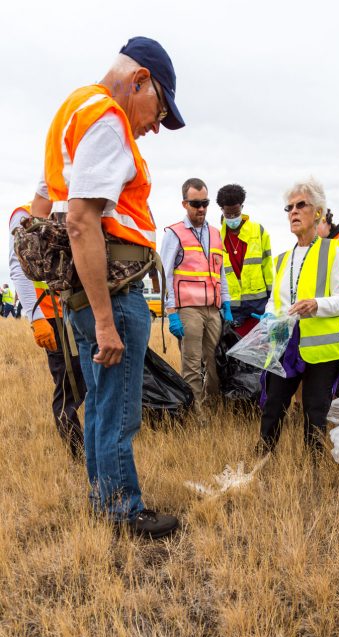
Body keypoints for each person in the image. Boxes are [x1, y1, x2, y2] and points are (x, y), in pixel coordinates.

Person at [34, 36, 184, 538]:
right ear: (138, 79)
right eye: (159, 107)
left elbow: (41, 208)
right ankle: (123, 510)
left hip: (85, 292)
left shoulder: (73, 111)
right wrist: (103, 318)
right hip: (113, 296)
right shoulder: (108, 118)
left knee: (100, 403)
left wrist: (59, 284)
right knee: (119, 410)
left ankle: (104, 501)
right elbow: (79, 222)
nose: (155, 125)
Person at [258, 178, 339, 455]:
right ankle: (264, 456)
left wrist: (317, 305)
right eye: (289, 208)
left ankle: (315, 465)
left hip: (320, 349)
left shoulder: (332, 250)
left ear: (318, 212)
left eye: (301, 205)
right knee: (273, 403)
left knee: (315, 410)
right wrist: (268, 318)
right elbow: (275, 303)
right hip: (285, 344)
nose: (294, 212)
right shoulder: (282, 259)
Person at [9, 203, 86, 457]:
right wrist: (36, 318)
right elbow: (18, 271)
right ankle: (78, 452)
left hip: (80, 310)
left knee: (86, 379)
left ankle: (93, 445)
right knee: (67, 384)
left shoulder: (77, 209)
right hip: (51, 316)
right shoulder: (25, 214)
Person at [161, 178, 232, 410]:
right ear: (185, 204)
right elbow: (166, 275)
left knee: (216, 362)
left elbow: (220, 272)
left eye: (205, 203)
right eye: (195, 203)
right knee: (191, 364)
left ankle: (213, 408)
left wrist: (227, 303)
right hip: (188, 309)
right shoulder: (174, 233)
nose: (201, 208)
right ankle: (197, 414)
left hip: (213, 309)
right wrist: (171, 312)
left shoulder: (215, 233)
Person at [216, 183, 273, 337]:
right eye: (229, 214)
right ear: (222, 210)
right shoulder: (216, 238)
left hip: (259, 306)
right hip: (232, 309)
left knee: (260, 353)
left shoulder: (258, 232)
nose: (233, 218)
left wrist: (272, 300)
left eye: (236, 212)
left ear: (242, 207)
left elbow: (268, 268)